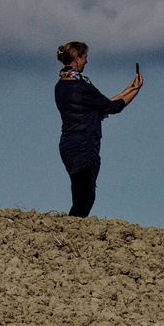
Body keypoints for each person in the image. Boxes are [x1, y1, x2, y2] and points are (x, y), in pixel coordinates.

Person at [54, 41, 141, 218]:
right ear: (76, 59)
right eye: (85, 58)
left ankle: (72, 231)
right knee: (85, 198)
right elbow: (113, 107)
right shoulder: (81, 87)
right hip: (83, 146)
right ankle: (71, 233)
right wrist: (137, 90)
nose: (87, 62)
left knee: (81, 196)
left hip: (69, 145)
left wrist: (129, 89)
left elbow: (103, 104)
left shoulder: (62, 86)